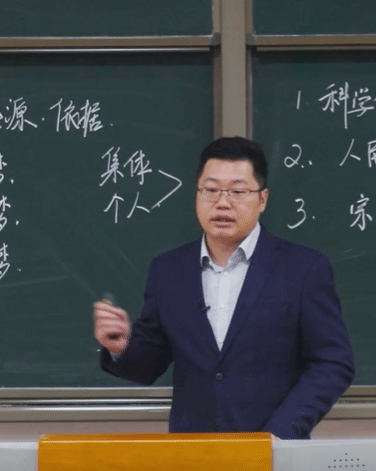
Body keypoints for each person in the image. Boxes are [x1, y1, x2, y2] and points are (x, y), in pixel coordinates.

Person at [93, 136, 354, 439]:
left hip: (274, 450)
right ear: (197, 194)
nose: (222, 203)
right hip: (193, 450)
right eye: (211, 190)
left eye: (237, 192)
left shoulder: (303, 268)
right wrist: (121, 347)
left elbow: (333, 363)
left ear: (262, 199)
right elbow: (149, 366)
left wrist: (280, 432)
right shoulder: (168, 270)